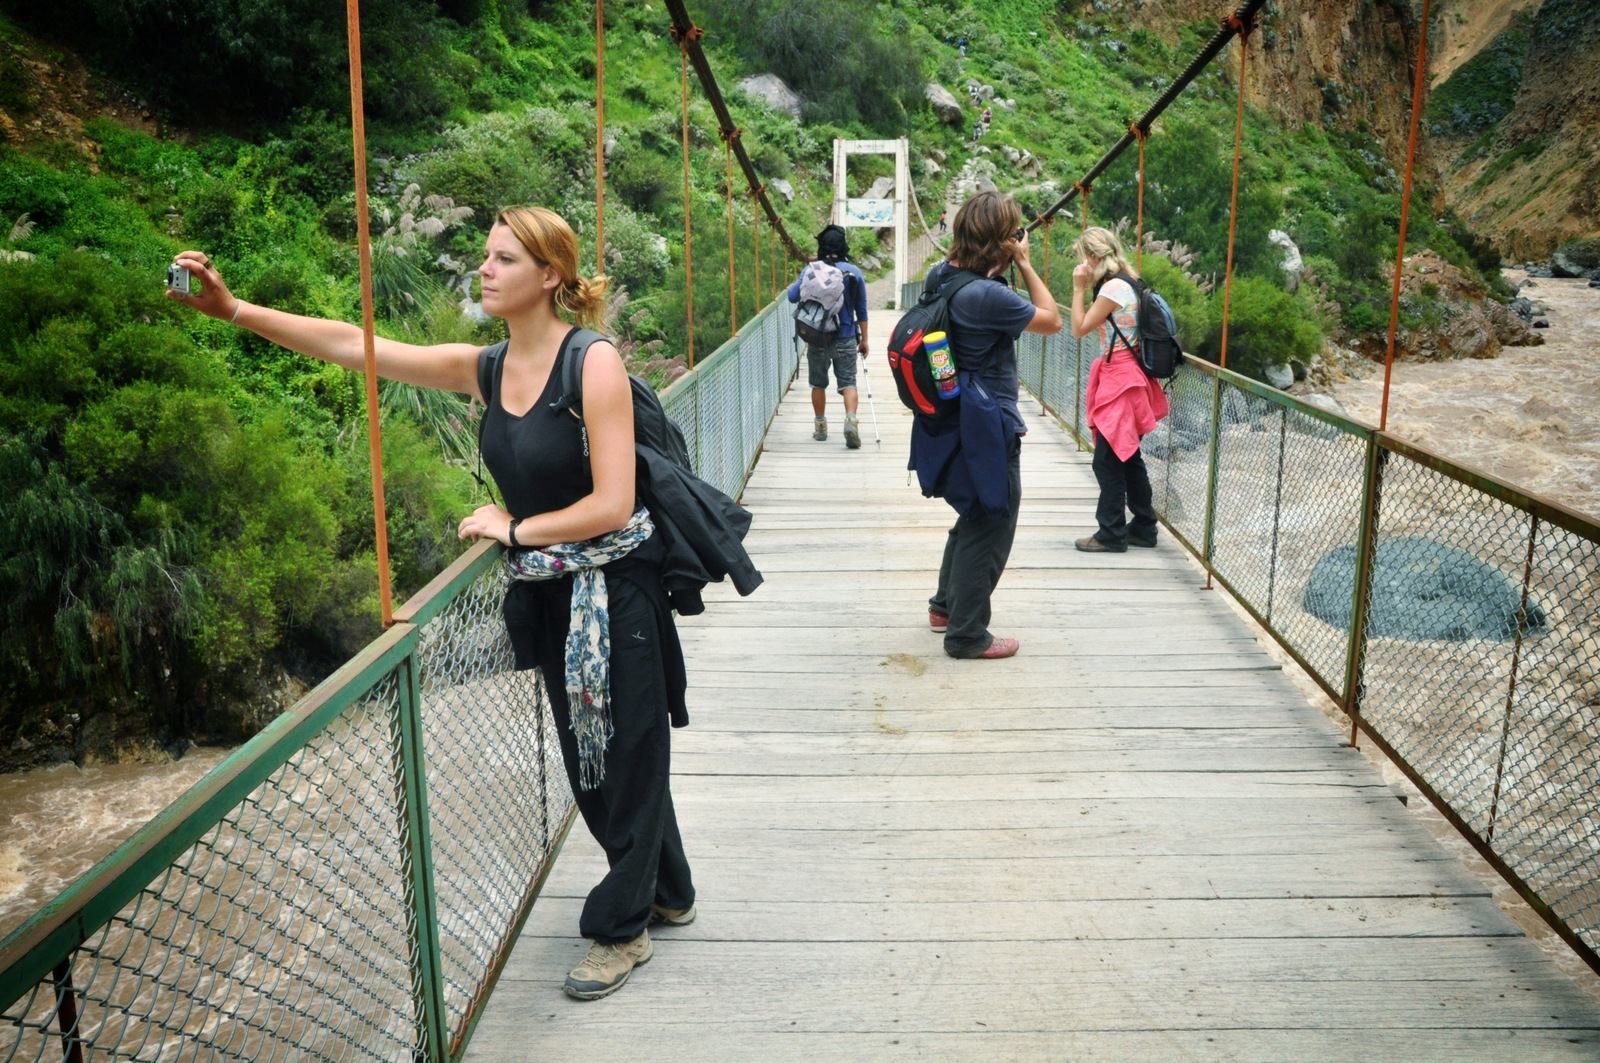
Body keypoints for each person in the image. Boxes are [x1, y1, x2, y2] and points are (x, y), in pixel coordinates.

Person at [165, 205, 695, 1002]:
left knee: (625, 753)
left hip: (616, 587)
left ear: (549, 276)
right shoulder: (488, 367)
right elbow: (360, 346)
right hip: (547, 591)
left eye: (503, 259)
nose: (484, 269)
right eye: (485, 256)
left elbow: (615, 503)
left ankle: (621, 929)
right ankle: (671, 887)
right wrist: (235, 311)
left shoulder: (594, 365)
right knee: (596, 757)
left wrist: (512, 525)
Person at [914, 191, 1062, 659]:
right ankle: (967, 634)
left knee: (976, 511)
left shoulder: (944, 275)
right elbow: (1052, 321)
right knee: (993, 520)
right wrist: (1026, 263)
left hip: (955, 416)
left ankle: (944, 608)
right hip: (988, 421)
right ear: (1001, 239)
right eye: (1014, 231)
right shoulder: (987, 295)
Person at [1070, 225, 1170, 552]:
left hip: (1122, 381)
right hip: (1133, 377)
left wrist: (1078, 287)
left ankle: (1111, 533)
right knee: (1127, 457)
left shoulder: (1112, 288)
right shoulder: (1131, 280)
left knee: (1107, 461)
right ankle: (1143, 527)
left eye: (1082, 256)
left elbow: (1079, 328)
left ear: (1093, 256)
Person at [787, 224, 869, 449]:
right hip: (845, 337)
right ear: (844, 246)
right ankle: (851, 420)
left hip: (818, 337)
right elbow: (861, 309)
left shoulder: (811, 269)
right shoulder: (854, 273)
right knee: (849, 383)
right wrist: (865, 340)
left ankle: (820, 428)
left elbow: (792, 296)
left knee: (818, 383)